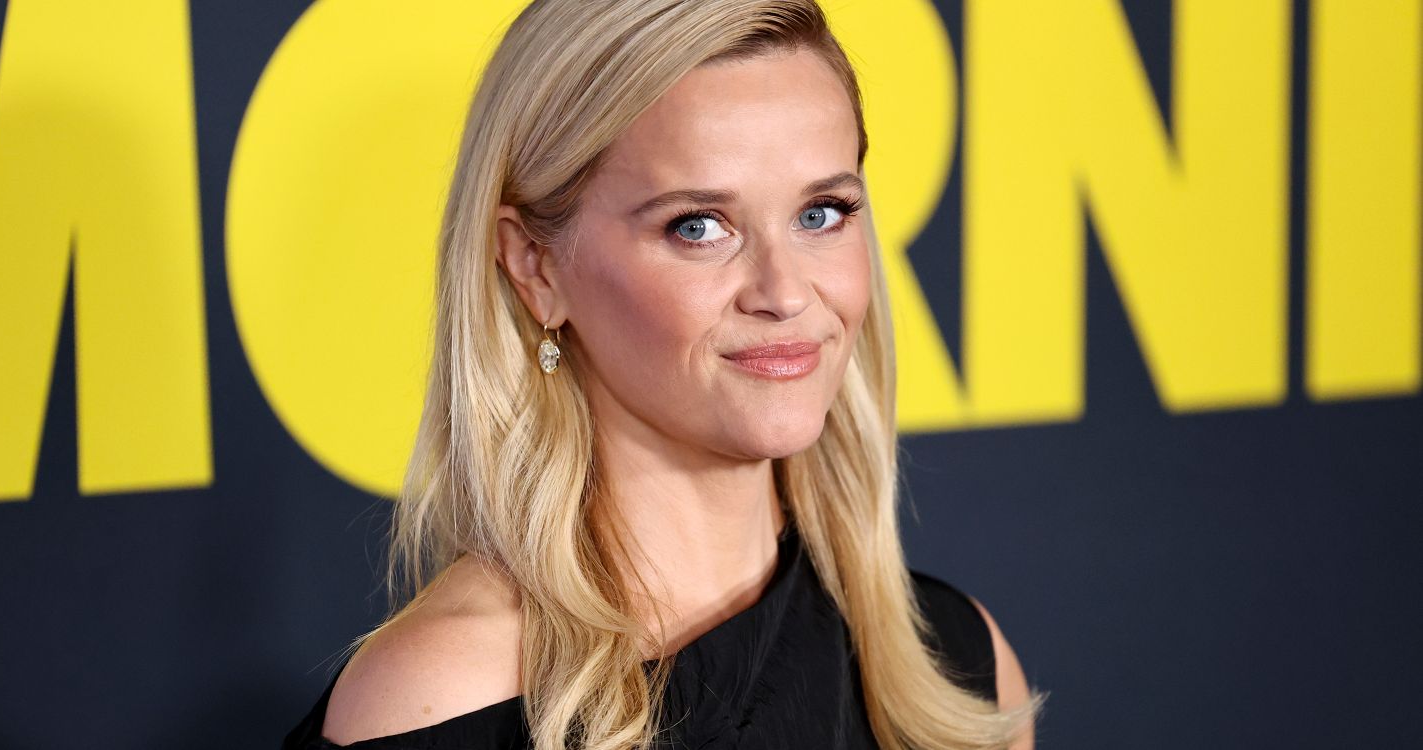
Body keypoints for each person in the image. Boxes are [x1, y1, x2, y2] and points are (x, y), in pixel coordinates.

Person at [283, 0, 1044, 747]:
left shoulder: (956, 666)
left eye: (821, 213)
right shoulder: (444, 703)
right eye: (699, 227)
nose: (784, 293)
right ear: (535, 265)